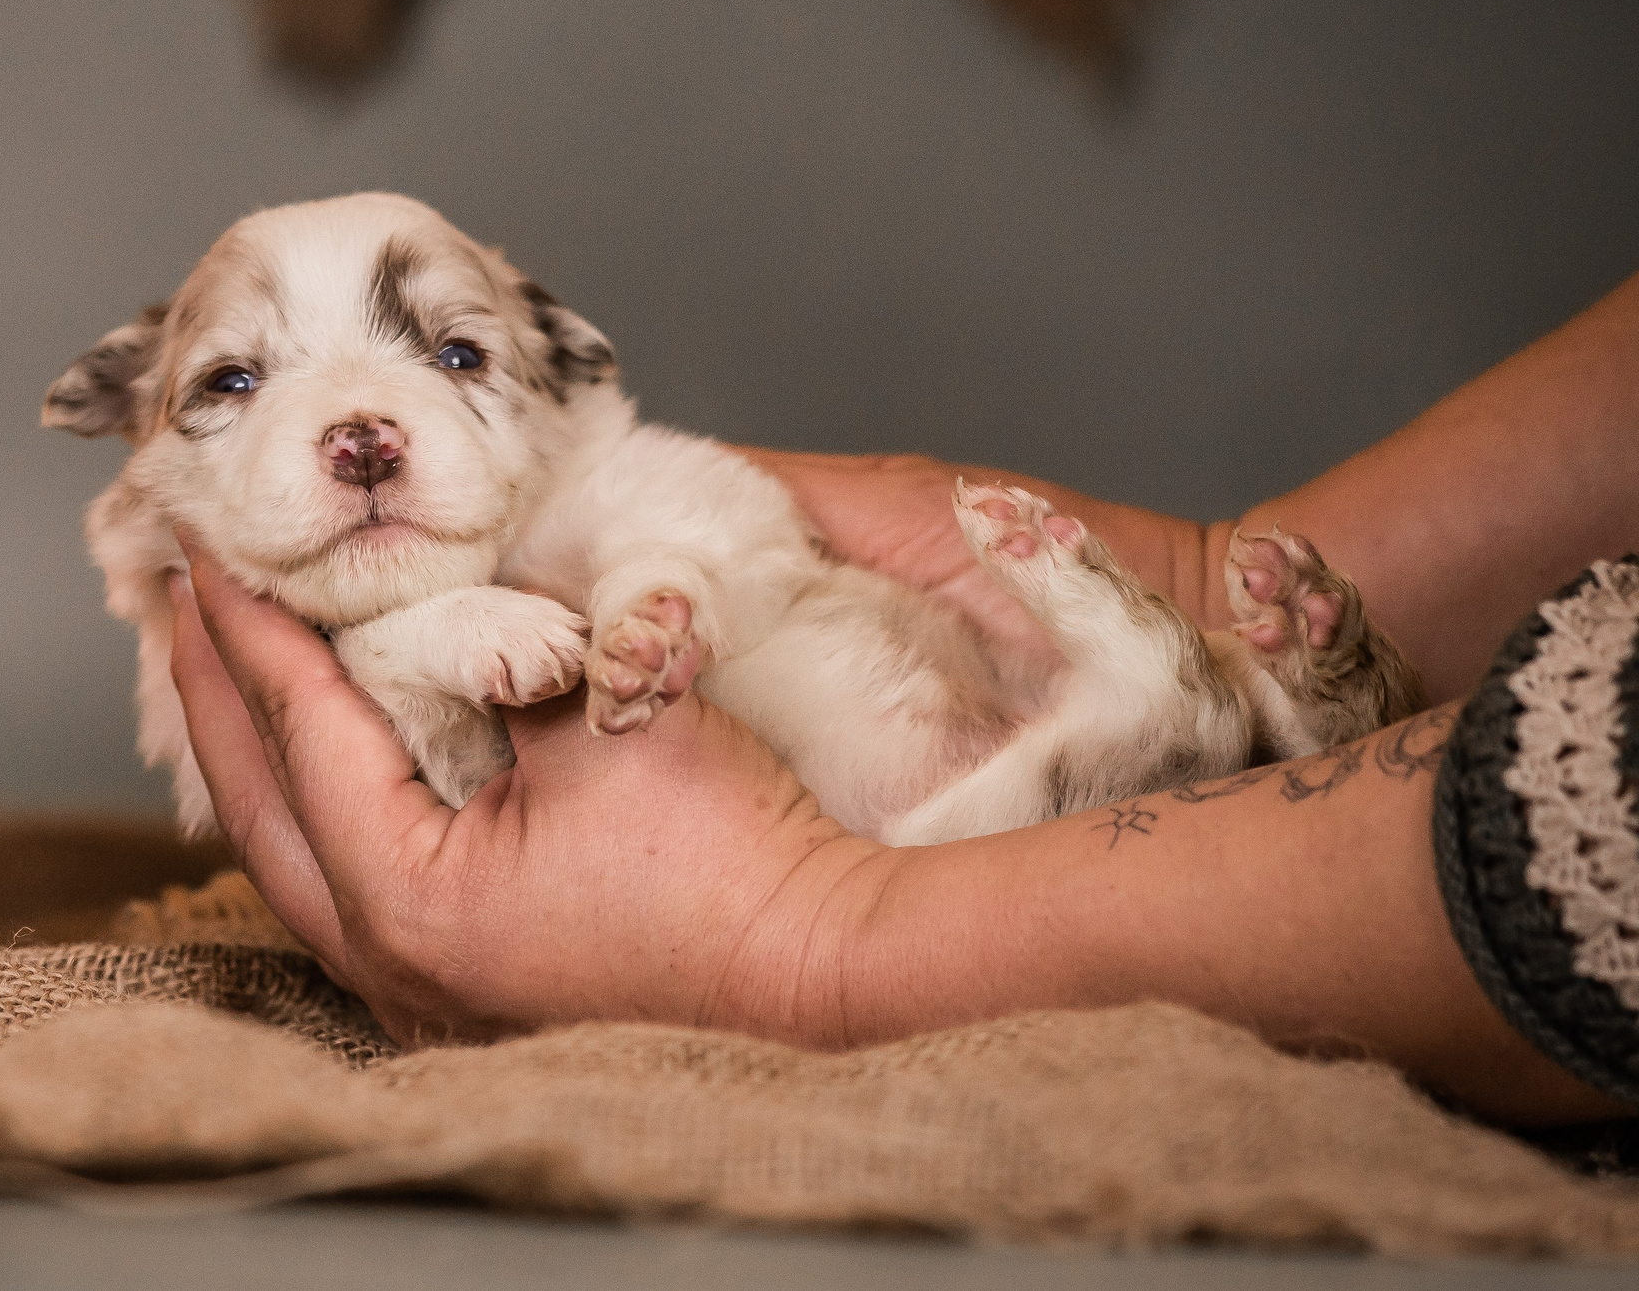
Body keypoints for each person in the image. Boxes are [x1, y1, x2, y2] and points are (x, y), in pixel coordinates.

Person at [165, 272, 1639, 1127]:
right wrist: (1205, 567)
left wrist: (816, 943)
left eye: (452, 351)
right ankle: (1216, 693)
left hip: (903, 781)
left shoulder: (566, 486)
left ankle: (1181, 700)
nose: (358, 427)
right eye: (234, 381)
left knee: (1021, 803)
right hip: (950, 728)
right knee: (1157, 740)